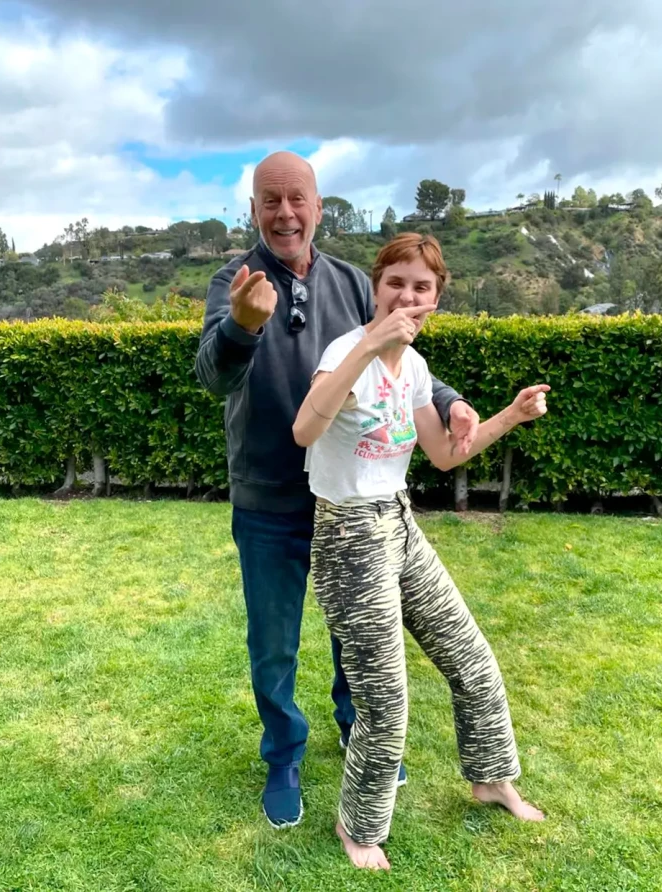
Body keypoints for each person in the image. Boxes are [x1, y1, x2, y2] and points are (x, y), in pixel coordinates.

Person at [194, 152, 481, 829]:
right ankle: (283, 757)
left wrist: (451, 398)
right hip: (268, 497)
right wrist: (241, 324)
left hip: (347, 502)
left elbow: (399, 354)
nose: (285, 213)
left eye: (298, 199)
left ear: (319, 208)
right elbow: (213, 377)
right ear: (255, 210)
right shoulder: (231, 280)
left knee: (355, 630)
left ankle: (355, 727)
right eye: (271, 201)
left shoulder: (354, 282)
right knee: (274, 641)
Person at [292, 232, 548, 871]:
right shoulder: (346, 351)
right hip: (348, 536)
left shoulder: (418, 369)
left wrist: (509, 416)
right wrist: (368, 349)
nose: (407, 295)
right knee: (385, 699)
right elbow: (304, 429)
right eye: (396, 282)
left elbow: (443, 455)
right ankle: (359, 827)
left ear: (436, 298)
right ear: (377, 288)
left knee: (472, 658)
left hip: (399, 523)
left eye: (422, 287)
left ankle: (490, 778)